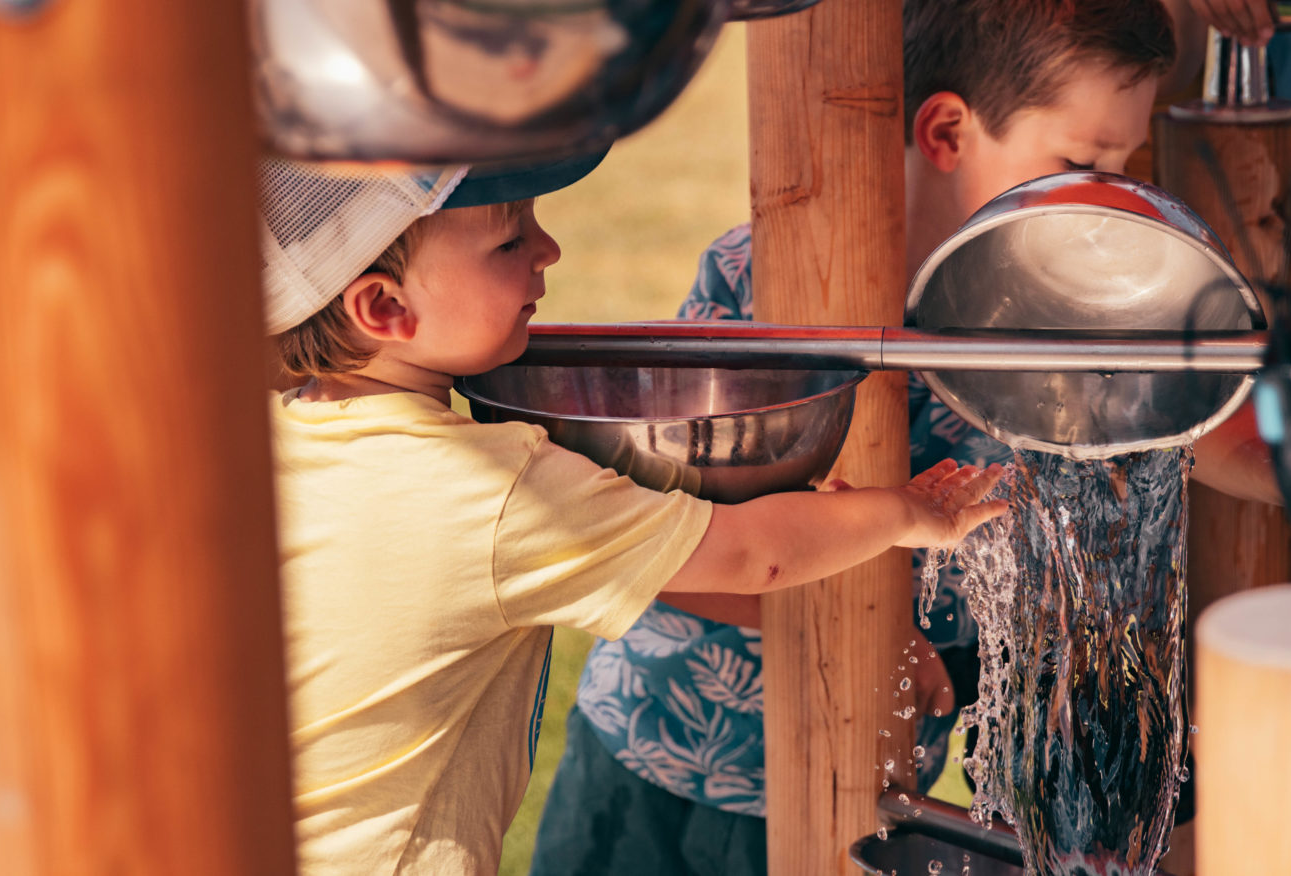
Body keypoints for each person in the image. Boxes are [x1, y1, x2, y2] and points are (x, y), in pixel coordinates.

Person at [528, 2, 1211, 874]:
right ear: (948, 131)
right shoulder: (765, 283)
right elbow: (656, 547)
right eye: (1078, 163)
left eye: (1123, 167)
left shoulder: (1047, 321)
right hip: (663, 759)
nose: (1103, 198)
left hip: (867, 775)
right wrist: (877, 631)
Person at [260, 155, 1013, 875]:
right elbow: (753, 554)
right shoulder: (490, 491)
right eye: (510, 239)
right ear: (385, 307)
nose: (549, 250)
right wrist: (905, 513)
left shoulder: (270, 440)